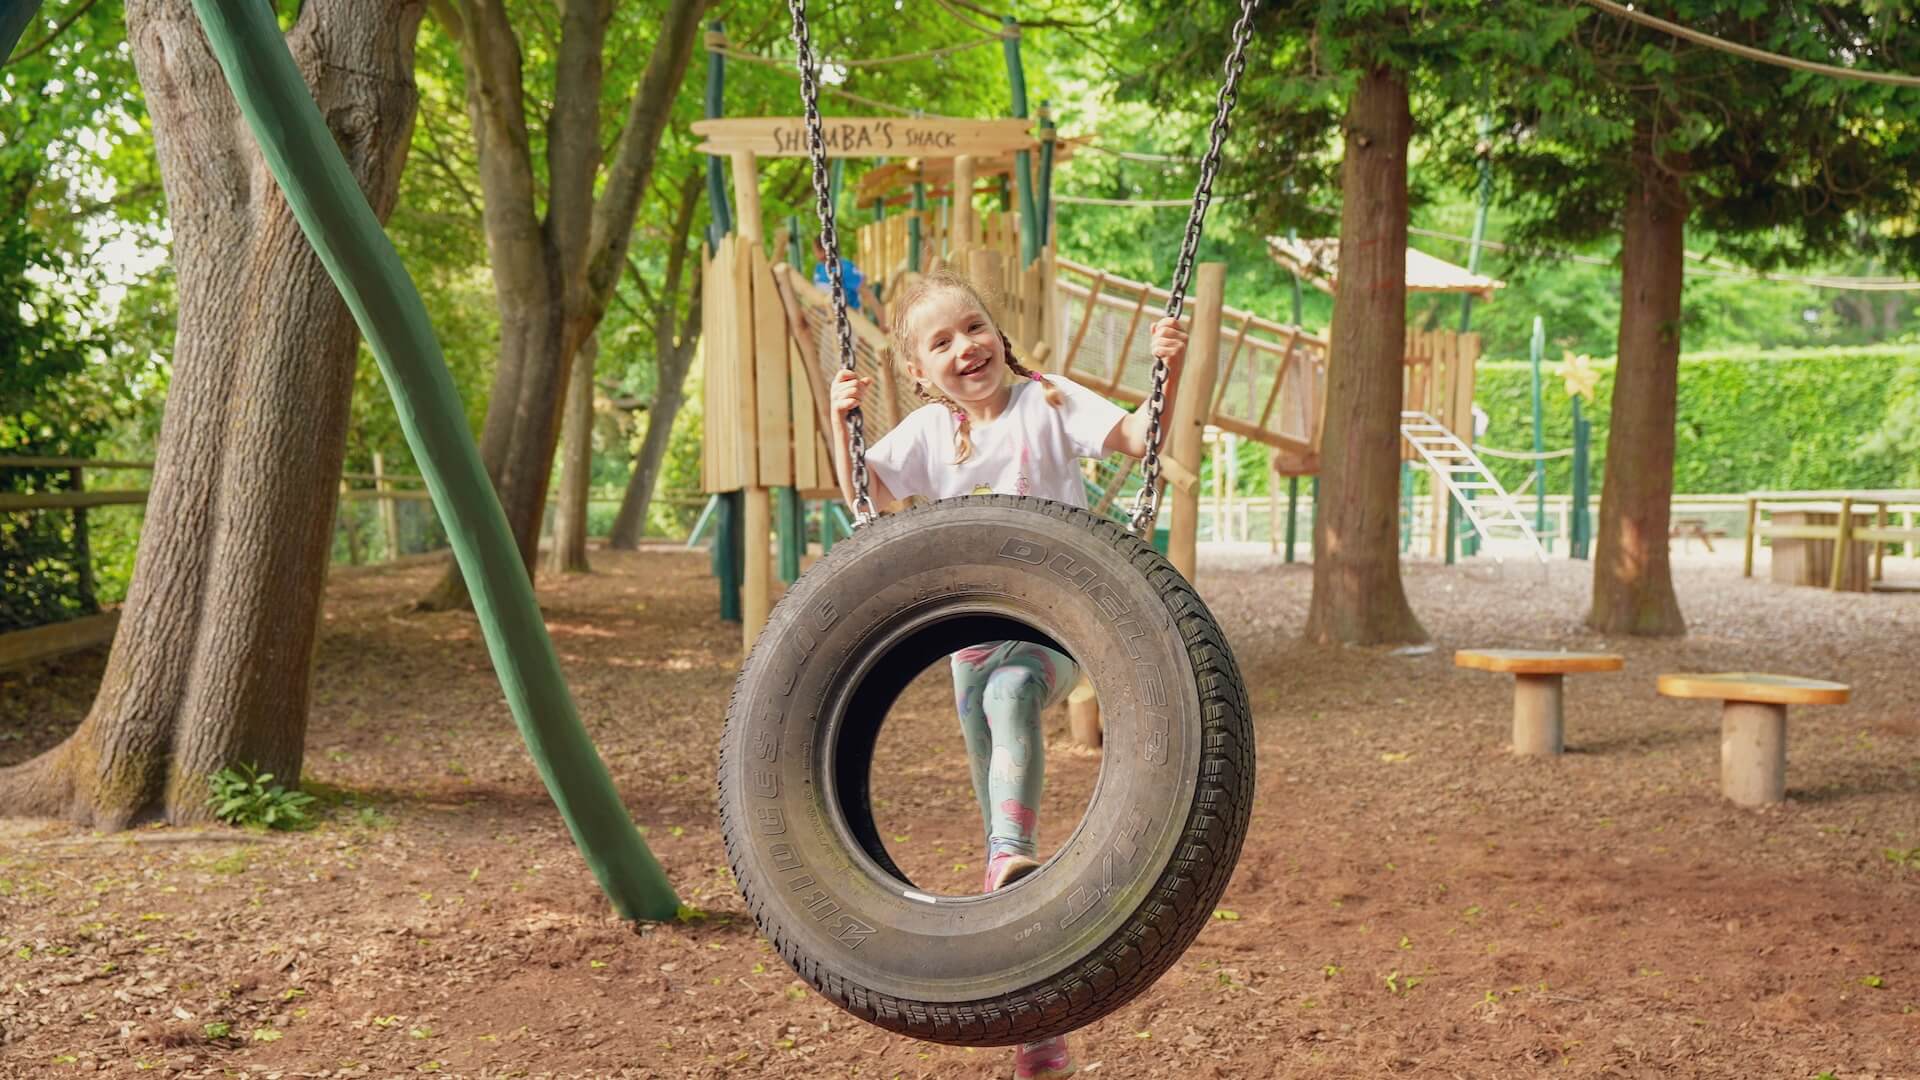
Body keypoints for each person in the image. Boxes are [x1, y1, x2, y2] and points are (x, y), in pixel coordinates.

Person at [828, 269, 1186, 1080]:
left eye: (974, 327)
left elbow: (1139, 437)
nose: (965, 347)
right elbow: (866, 493)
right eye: (942, 342)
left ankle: (1009, 854)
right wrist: (839, 417)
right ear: (919, 370)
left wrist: (1170, 367)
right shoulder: (928, 433)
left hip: (1057, 621)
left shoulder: (1047, 402)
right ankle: (1038, 1033)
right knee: (1000, 835)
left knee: (1013, 694)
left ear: (999, 333)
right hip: (968, 641)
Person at [813, 236, 864, 310]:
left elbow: (865, 292)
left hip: (848, 312)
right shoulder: (819, 268)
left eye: (815, 251)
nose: (815, 254)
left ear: (823, 251)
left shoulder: (846, 268)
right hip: (823, 311)